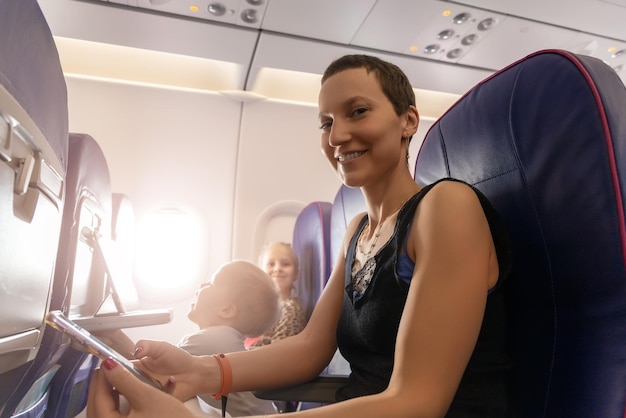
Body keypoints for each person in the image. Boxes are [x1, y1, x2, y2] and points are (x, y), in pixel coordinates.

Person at [87, 54, 512, 418]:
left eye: (358, 111)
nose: (338, 136)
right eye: (326, 123)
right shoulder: (357, 232)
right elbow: (311, 347)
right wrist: (200, 371)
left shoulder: (446, 207)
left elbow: (418, 402)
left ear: (408, 120)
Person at [94, 260, 280, 417]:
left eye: (211, 283)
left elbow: (152, 375)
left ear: (225, 310)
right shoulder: (224, 338)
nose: (201, 285)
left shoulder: (215, 339)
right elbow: (151, 369)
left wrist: (116, 340)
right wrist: (116, 337)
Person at [248, 242, 307, 348]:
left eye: (285, 264)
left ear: (295, 274)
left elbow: (279, 352)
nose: (277, 269)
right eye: (271, 264)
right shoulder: (255, 308)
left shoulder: (291, 309)